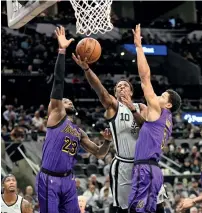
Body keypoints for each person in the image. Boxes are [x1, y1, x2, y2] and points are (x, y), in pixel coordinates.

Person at [36, 26, 112, 213]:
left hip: (68, 180)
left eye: (69, 100)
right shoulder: (55, 115)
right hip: (49, 179)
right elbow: (59, 83)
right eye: (64, 99)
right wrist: (62, 51)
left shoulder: (79, 131)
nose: (67, 100)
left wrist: (107, 142)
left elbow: (99, 153)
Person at [72, 42, 149, 213]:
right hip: (123, 164)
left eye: (125, 86)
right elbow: (100, 90)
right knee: (123, 209)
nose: (121, 87)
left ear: (131, 91)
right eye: (118, 87)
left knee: (145, 207)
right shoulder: (113, 106)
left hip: (143, 164)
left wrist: (132, 108)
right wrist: (87, 70)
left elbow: (146, 127)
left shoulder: (142, 107)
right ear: (115, 94)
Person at [128, 24, 181, 213]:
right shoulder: (166, 120)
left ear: (167, 104)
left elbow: (145, 78)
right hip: (151, 170)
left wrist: (139, 47)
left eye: (163, 96)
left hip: (146, 170)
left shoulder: (158, 110)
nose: (158, 96)